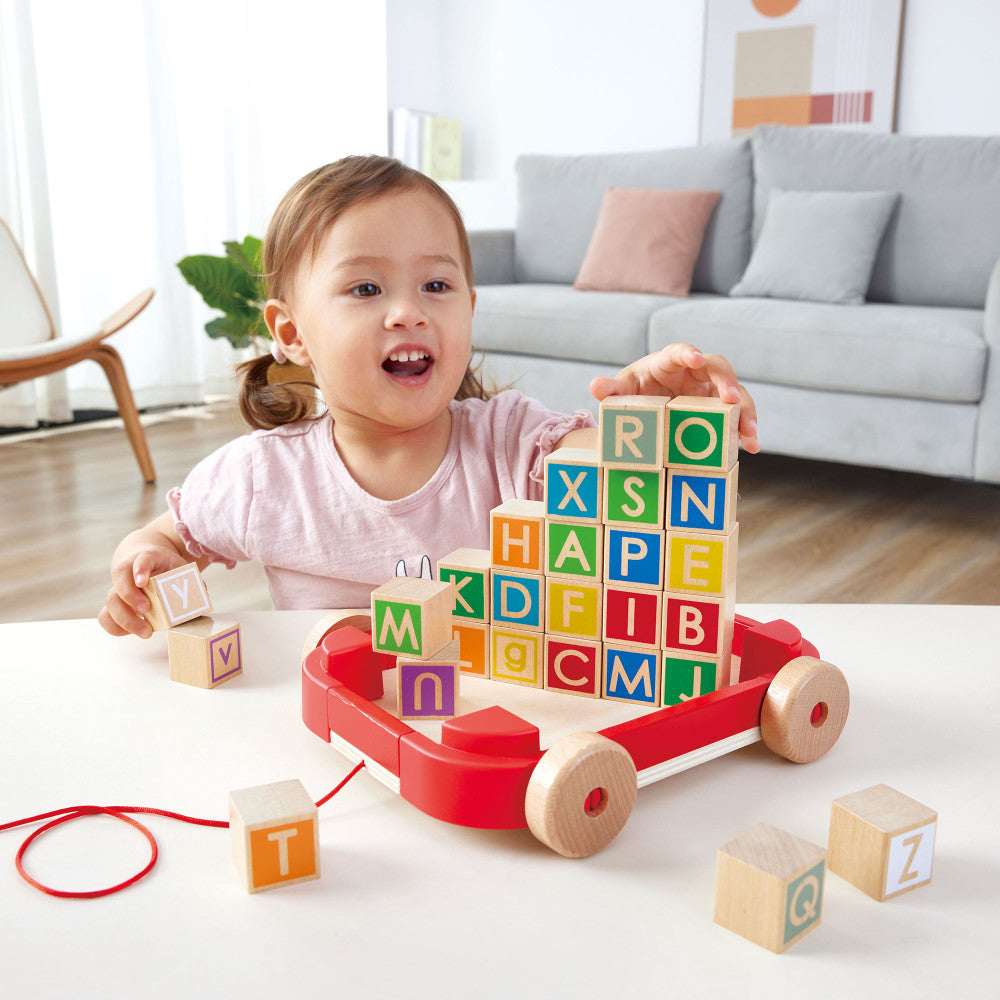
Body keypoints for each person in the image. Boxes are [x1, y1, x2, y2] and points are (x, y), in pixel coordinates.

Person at [98, 155, 758, 639]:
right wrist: (143, 560)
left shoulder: (511, 442)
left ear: (470, 310)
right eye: (365, 290)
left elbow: (619, 470)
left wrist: (657, 416)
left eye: (436, 287)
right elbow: (171, 538)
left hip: (487, 716)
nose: (408, 313)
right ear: (292, 334)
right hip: (336, 727)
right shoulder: (260, 477)